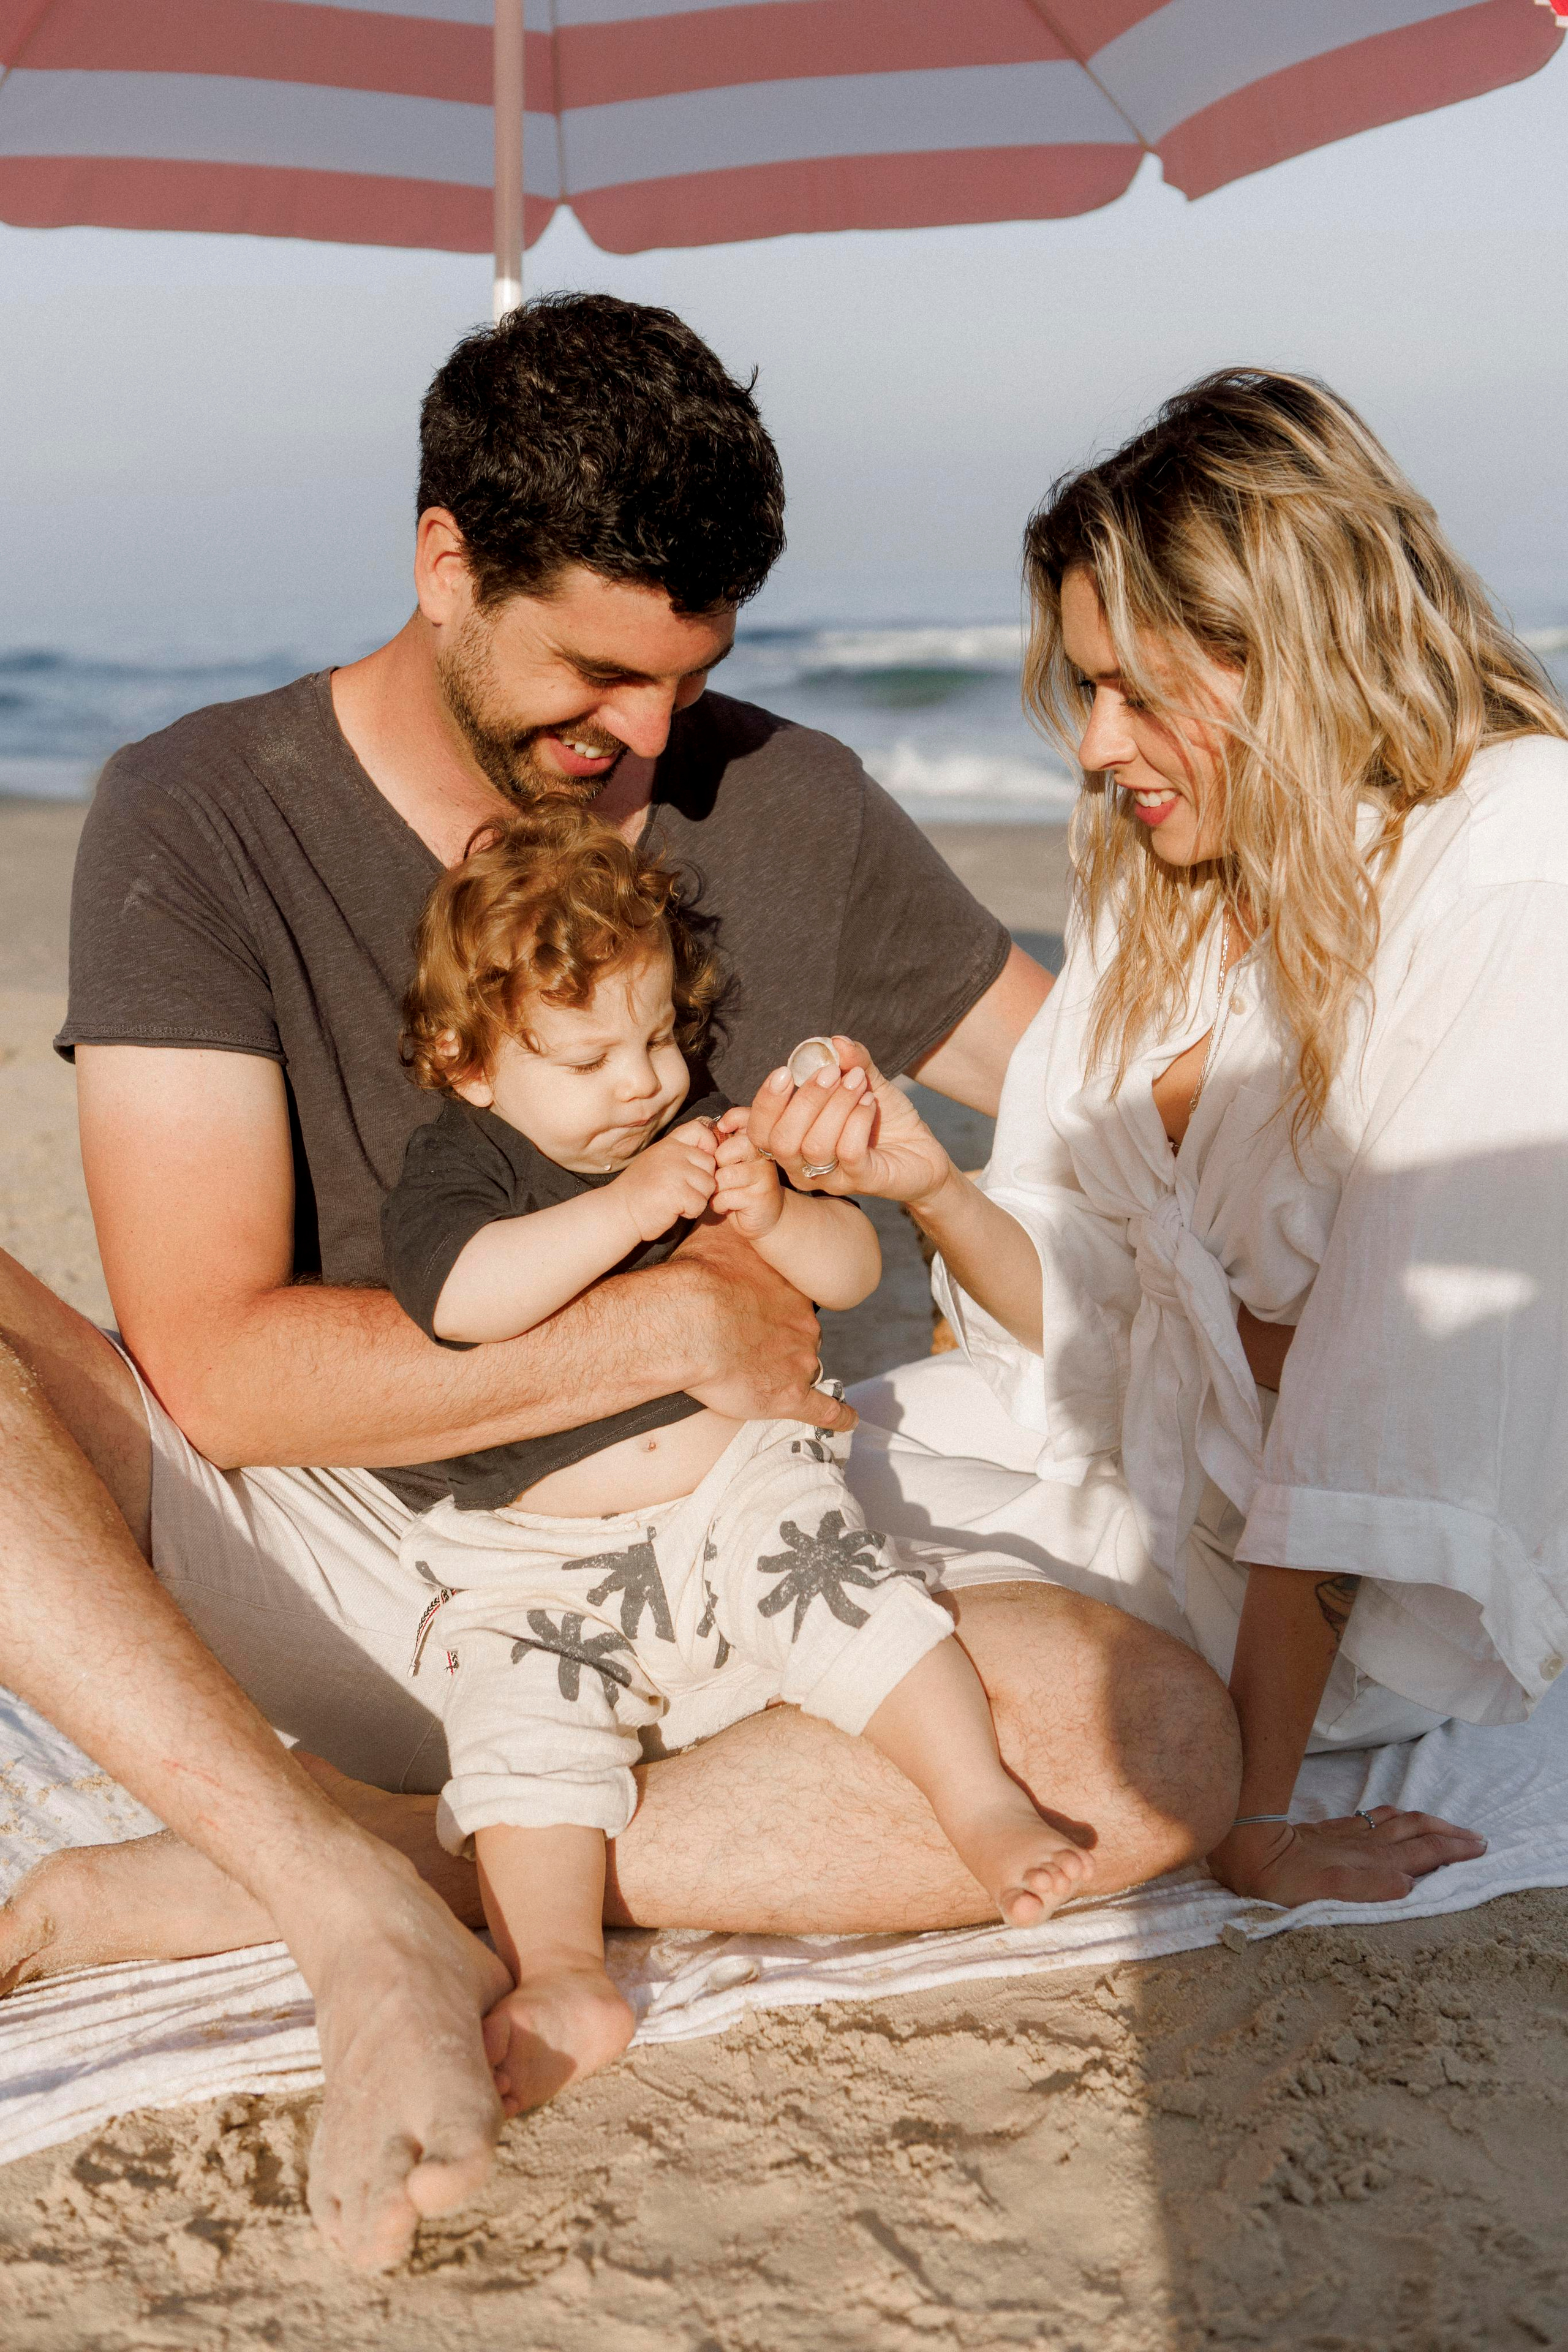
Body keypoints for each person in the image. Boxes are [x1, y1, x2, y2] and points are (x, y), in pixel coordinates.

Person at [0, 294, 1237, 2272]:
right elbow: (217, 1369)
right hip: (334, 1551)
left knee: (1149, 1749)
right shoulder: (200, 814)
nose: (648, 738)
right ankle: (346, 1905)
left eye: (690, 676)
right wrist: (658, 1320)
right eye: (596, 673)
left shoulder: (787, 804)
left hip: (704, 1571)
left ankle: (442, 1860)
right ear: (446, 565)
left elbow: (1111, 1088)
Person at [755, 368, 1565, 1914]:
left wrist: (1253, 1820)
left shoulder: (1508, 848)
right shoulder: (1169, 878)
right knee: (733, 1474)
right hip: (1103, 1450)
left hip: (1322, 1601)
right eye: (1085, 692)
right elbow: (1087, 1301)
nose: (1093, 747)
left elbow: (1375, 1403)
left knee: (775, 1579)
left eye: (1133, 692)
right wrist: (929, 1186)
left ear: (1285, 653)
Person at [380, 805, 1095, 2115]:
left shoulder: (698, 1132)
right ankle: (562, 1971)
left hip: (734, 1497)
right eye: (589, 1057)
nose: (643, 1083)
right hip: (541, 1556)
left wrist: (772, 1211)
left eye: (658, 1037)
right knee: (518, 1729)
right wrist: (626, 1208)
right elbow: (464, 1300)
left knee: (856, 1600)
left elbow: (851, 1272)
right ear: (466, 1064)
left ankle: (978, 1803)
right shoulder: (462, 1167)